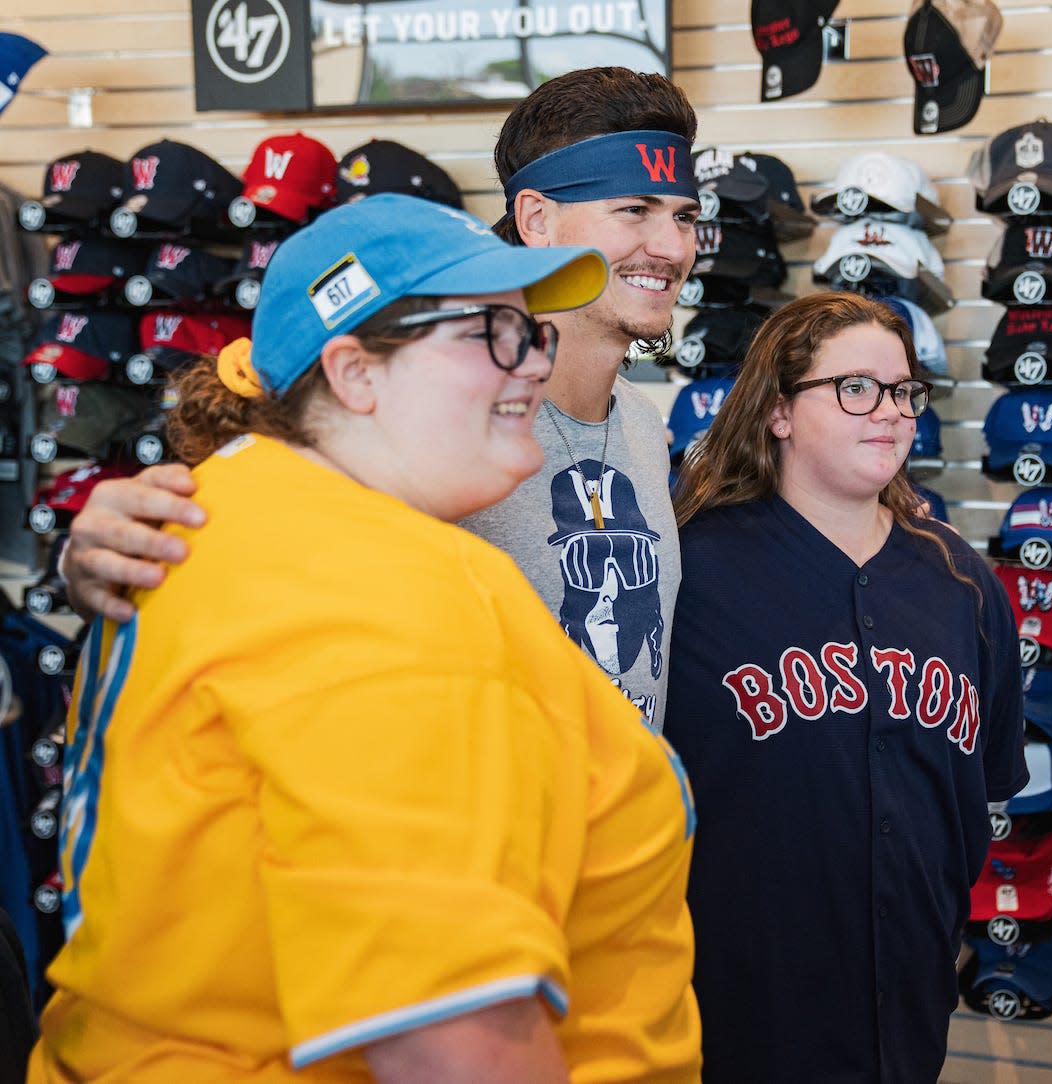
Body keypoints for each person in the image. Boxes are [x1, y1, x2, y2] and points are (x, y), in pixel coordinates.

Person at [27, 194, 701, 1083]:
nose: (535, 365)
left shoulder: (225, 512)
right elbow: (453, 1043)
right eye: (488, 333)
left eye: (531, 332)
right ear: (353, 374)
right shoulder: (387, 591)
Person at [61, 67, 700, 732]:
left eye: (685, 217)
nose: (672, 247)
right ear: (535, 218)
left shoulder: (639, 425)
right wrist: (111, 571)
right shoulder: (439, 437)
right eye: (634, 209)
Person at [664, 292, 1028, 1084]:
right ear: (778, 411)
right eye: (855, 387)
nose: (891, 413)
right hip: (733, 1011)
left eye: (903, 391)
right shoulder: (690, 572)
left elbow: (979, 793)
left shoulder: (961, 580)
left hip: (908, 1005)